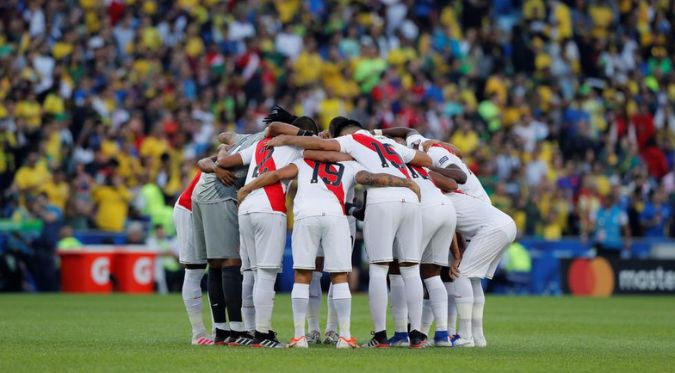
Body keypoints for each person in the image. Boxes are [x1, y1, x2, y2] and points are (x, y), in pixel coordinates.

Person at [264, 117, 432, 348]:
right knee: (411, 268)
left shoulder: (351, 140)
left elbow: (321, 150)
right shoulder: (388, 144)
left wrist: (286, 139)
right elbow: (425, 159)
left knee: (378, 268)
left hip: (380, 198)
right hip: (410, 197)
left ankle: (380, 336)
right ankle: (416, 334)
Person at [238, 150, 421, 349]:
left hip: (306, 216)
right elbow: (372, 178)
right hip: (335, 216)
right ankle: (344, 336)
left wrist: (247, 188)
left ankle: (299, 337)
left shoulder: (302, 162)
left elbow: (274, 175)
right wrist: (406, 182)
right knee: (339, 276)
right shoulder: (350, 165)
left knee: (302, 275)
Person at [214, 115, 320, 348]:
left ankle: (249, 331)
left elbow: (225, 162)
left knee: (250, 272)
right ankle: (263, 334)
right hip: (269, 207)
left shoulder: (260, 144)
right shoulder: (300, 146)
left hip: (246, 207)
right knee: (266, 273)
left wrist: (221, 151)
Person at [192, 133, 263, 346]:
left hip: (206, 193)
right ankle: (236, 331)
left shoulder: (246, 139)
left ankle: (222, 331)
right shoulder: (263, 145)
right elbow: (216, 157)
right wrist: (219, 164)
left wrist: (219, 159)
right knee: (230, 261)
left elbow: (214, 149)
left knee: (216, 263)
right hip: (218, 195)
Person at [172, 170, 213, 345]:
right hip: (190, 209)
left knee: (220, 268)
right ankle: (198, 333)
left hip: (211, 210)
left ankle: (220, 329)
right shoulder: (237, 152)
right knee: (195, 270)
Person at [592, 194, 631, 259]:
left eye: (607, 200)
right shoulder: (598, 212)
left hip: (614, 246)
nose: (605, 202)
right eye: (604, 200)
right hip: (601, 246)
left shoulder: (619, 213)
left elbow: (626, 228)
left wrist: (627, 240)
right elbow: (592, 226)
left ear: (611, 201)